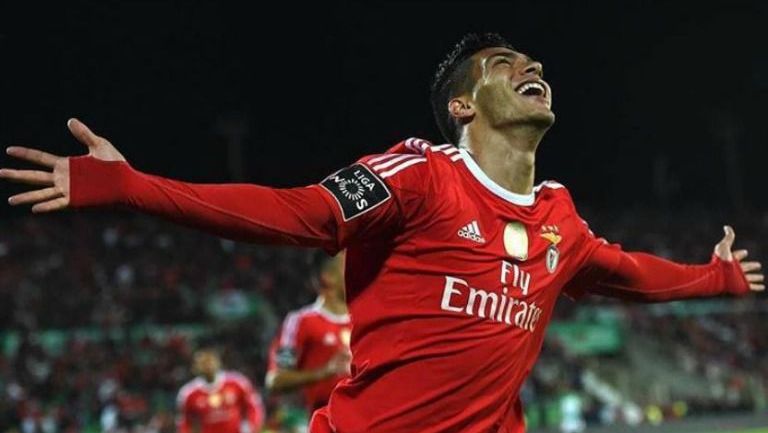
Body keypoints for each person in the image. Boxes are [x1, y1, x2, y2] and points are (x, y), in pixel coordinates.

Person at [1, 33, 763, 433]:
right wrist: (134, 186)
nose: (533, 65)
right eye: (505, 64)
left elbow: (629, 272)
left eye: (533, 61)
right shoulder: (416, 175)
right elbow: (299, 214)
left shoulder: (560, 218)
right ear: (463, 105)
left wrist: (718, 276)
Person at [266, 251, 352, 413]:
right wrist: (324, 372)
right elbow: (275, 380)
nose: (357, 270)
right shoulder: (301, 321)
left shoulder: (365, 317)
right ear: (328, 277)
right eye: (348, 265)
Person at [177, 349, 264, 433]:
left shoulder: (237, 382)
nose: (208, 366)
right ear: (195, 367)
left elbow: (254, 406)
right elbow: (184, 422)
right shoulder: (188, 393)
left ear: (218, 362)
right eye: (203, 363)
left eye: (210, 361)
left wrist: (252, 427)